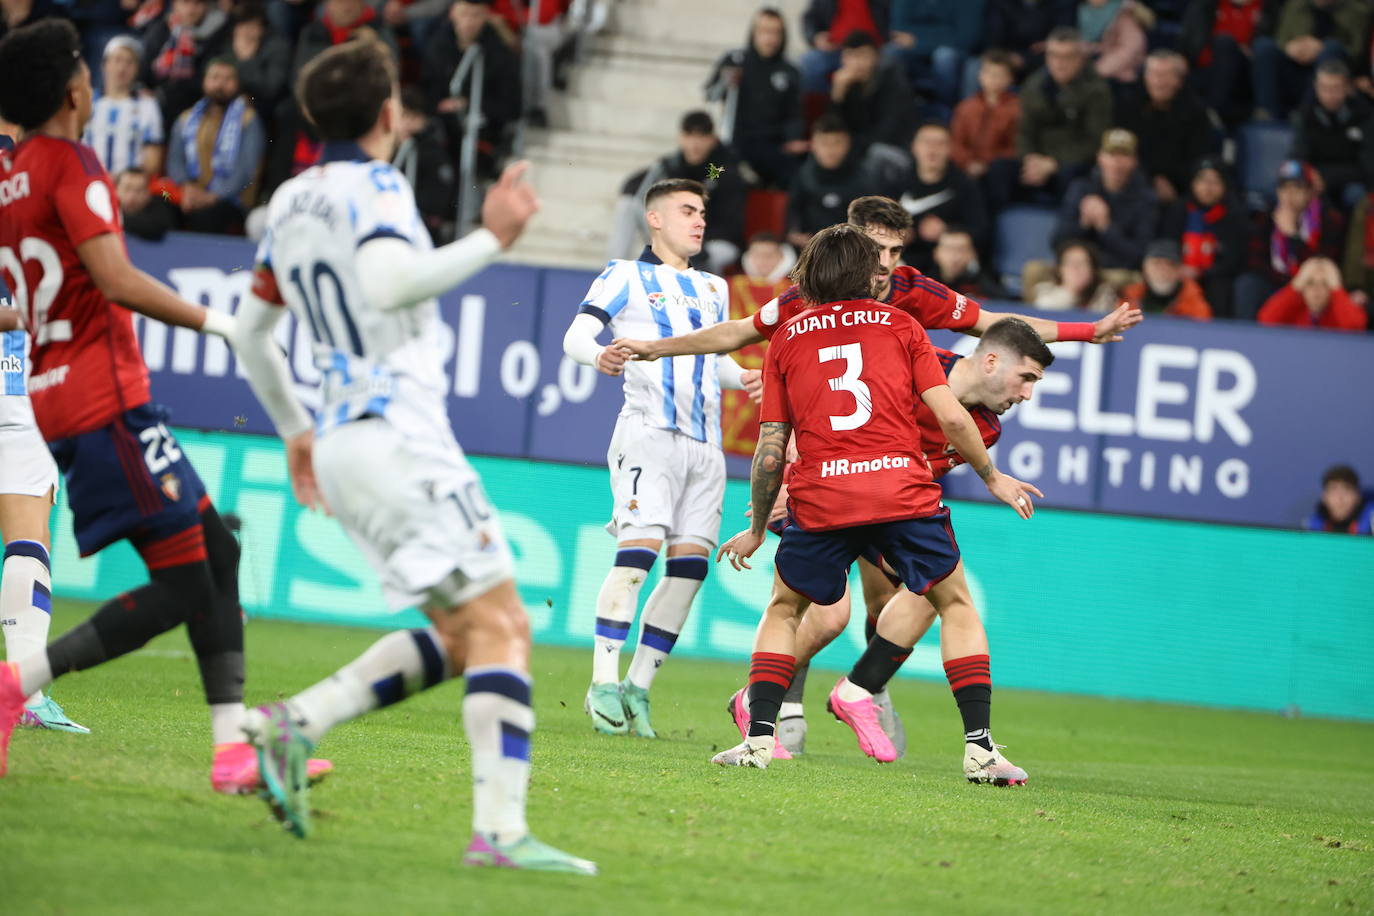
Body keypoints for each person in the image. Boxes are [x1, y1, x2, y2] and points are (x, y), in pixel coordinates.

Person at [229, 38, 593, 873]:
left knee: (464, 635)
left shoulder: (287, 201)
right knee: (503, 627)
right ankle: (500, 835)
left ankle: (295, 725)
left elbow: (252, 333)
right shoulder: (379, 187)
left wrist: (295, 434)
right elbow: (389, 283)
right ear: (390, 113)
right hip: (400, 437)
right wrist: (493, 238)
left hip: (344, 440)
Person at [614, 195, 1142, 752]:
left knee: (900, 601)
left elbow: (999, 327)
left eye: (894, 249)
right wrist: (657, 350)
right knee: (832, 613)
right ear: (853, 248)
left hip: (879, 482)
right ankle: (780, 699)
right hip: (825, 472)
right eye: (876, 249)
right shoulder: (856, 318)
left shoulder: (914, 300)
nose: (886, 262)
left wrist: (1088, 332)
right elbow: (740, 338)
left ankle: (857, 689)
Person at [0, 19, 332, 794]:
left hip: (65, 396)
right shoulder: (72, 162)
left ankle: (231, 750)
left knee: (218, 552)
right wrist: (226, 326)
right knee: (188, 581)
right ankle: (18, 684)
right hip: (101, 398)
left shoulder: (14, 180)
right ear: (75, 90)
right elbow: (114, 278)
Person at [708, 223, 1042, 771]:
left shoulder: (787, 338)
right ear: (867, 275)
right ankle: (980, 751)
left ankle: (759, 740)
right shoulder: (902, 325)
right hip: (898, 489)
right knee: (952, 603)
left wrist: (758, 522)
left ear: (808, 275)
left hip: (824, 493)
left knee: (785, 609)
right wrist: (992, 477)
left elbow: (771, 448)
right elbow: (953, 416)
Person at [561, 178, 758, 739]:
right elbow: (576, 334)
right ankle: (601, 680)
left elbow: (712, 355)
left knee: (690, 570)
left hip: (706, 447)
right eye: (687, 211)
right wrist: (599, 355)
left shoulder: (714, 288)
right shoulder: (624, 274)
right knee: (637, 559)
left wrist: (740, 375)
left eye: (702, 212)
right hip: (649, 433)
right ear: (655, 219)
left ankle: (637, 689)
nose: (699, 221)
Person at [0, 306, 87, 733]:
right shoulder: (32, 242)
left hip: (20, 397)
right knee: (28, 541)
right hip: (16, 393)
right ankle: (24, 696)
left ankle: (25, 694)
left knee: (29, 543)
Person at [607, 111, 747, 273]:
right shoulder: (670, 165)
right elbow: (634, 186)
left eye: (701, 137)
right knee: (628, 204)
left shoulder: (722, 168)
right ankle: (613, 274)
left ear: (712, 139)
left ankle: (702, 295)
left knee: (709, 255)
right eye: (689, 136)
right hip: (676, 235)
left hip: (713, 240)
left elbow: (727, 218)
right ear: (681, 138)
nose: (695, 144)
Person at [988, 26, 1113, 208]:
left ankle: (1066, 234)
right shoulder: (1033, 85)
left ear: (1079, 58)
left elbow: (1094, 142)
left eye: (1067, 57)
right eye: (1054, 55)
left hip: (1072, 163)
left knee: (1073, 176)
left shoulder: (1097, 91)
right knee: (1000, 169)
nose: (1059, 63)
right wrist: (1030, 159)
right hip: (1037, 162)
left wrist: (1055, 163)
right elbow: (1024, 132)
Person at [704, 7, 806, 190]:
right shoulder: (734, 61)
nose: (770, 38)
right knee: (712, 173)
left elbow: (794, 114)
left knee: (798, 177)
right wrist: (725, 82)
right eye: (765, 31)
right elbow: (711, 94)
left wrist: (792, 138)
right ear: (754, 33)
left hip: (771, 147)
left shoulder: (790, 72)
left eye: (776, 32)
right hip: (734, 144)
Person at [165, 57, 266, 234]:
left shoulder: (248, 119)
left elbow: (247, 170)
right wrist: (187, 187)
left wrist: (213, 196)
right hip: (190, 194)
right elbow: (175, 160)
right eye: (215, 77)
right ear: (204, 81)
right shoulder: (186, 119)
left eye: (228, 79)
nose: (221, 84)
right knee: (161, 208)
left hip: (232, 200)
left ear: (237, 84)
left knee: (207, 216)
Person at [420, 0, 520, 177]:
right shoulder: (437, 45)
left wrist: (468, 104)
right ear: (453, 14)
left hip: (484, 130)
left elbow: (510, 105)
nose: (469, 21)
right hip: (442, 127)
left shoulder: (499, 53)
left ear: (486, 16)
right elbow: (426, 90)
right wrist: (440, 104)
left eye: (476, 15)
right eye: (464, 14)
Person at [1239, 159, 1345, 317]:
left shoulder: (1330, 221)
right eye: (1284, 188)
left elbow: (1321, 264)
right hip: (1275, 281)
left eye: (1297, 187)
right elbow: (1255, 262)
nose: (1289, 194)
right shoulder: (1265, 218)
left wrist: (1292, 235)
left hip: (1309, 286)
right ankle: (1244, 338)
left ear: (1310, 192)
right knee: (1247, 284)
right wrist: (1284, 281)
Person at [1114, 49, 1217, 206]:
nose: (1159, 82)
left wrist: (1170, 182)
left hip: (1180, 189)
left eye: (1165, 75)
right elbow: (1120, 149)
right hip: (1134, 182)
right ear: (1145, 77)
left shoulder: (1196, 113)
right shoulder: (1129, 106)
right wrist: (1152, 178)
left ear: (1179, 80)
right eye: (1154, 74)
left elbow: (1198, 158)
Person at [723, 233, 792, 458]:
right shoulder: (728, 286)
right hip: (738, 373)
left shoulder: (795, 291)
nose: (763, 262)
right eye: (757, 255)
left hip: (779, 373)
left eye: (769, 256)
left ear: (782, 258)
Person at [1051, 127, 1156, 273]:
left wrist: (1106, 227)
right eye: (1111, 154)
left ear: (1134, 161)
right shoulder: (1080, 189)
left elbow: (1141, 257)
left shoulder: (1146, 199)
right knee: (1034, 271)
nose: (1117, 163)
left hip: (1118, 273)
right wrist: (1083, 223)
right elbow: (1057, 242)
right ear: (1100, 158)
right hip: (1078, 270)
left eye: (1124, 155)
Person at [1158, 156, 1249, 318]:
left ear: (1224, 186)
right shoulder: (1179, 209)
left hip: (1214, 277)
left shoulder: (1235, 215)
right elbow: (1167, 245)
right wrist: (1177, 268)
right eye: (1202, 180)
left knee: (1220, 287)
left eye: (1214, 182)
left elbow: (1234, 260)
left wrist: (1201, 272)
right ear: (1193, 183)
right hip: (1179, 271)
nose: (1207, 187)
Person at [894, 120, 989, 273]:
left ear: (950, 149)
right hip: (906, 259)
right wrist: (898, 235)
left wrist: (946, 231)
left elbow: (980, 231)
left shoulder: (964, 185)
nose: (932, 149)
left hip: (947, 263)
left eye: (940, 144)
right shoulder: (897, 183)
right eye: (926, 142)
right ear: (914, 147)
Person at [1251, 0, 1368, 121]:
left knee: (1332, 48)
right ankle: (1267, 112)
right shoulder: (1296, 5)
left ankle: (1307, 114)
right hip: (1293, 69)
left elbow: (1357, 52)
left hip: (1329, 75)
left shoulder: (1357, 10)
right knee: (1263, 46)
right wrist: (1290, 47)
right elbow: (1281, 39)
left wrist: (1321, 47)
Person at [1180, 0, 1280, 126]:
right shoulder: (1205, 5)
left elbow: (1274, 46)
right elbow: (1185, 42)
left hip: (1247, 75)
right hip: (1205, 71)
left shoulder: (1269, 7)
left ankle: (1215, 115)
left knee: (1225, 44)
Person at [785, 113, 877, 249]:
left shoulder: (865, 178)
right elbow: (793, 213)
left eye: (837, 143)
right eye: (824, 143)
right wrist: (794, 234)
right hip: (812, 249)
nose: (830, 150)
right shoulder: (802, 176)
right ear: (813, 144)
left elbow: (873, 219)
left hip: (853, 250)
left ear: (848, 144)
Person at [1292, 58, 1374, 210]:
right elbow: (1298, 155)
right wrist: (1309, 178)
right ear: (1316, 86)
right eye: (1324, 88)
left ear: (1348, 88)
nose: (1329, 95)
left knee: (1356, 194)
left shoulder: (1364, 115)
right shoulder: (1305, 115)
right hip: (1316, 183)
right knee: (1297, 192)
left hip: (1352, 182)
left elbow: (1368, 166)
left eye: (1336, 88)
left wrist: (1327, 177)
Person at [882, 0, 985, 114]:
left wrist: (918, 40)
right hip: (917, 56)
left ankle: (947, 111)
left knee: (944, 56)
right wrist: (941, 35)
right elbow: (898, 30)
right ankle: (896, 111)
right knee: (891, 51)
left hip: (958, 56)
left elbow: (966, 37)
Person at [141, 0, 233, 127]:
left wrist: (163, 94)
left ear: (206, 5)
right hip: (155, 107)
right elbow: (143, 70)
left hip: (196, 109)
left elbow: (205, 79)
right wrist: (143, 90)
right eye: (185, 3)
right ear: (174, 4)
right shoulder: (161, 30)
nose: (191, 9)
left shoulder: (218, 34)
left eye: (197, 3)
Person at [84, 35, 165, 176]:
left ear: (137, 69)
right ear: (105, 65)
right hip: (88, 184)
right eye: (117, 60)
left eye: (129, 62)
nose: (122, 68)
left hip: (129, 191)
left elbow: (153, 162)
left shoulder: (148, 106)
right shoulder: (86, 102)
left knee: (165, 196)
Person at [827, 30, 917, 155]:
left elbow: (885, 135)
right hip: (860, 149)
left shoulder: (894, 85)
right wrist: (837, 95)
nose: (856, 63)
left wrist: (849, 148)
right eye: (850, 55)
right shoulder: (845, 85)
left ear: (876, 57)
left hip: (895, 151)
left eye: (862, 55)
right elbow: (832, 130)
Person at [393, 86, 457, 245]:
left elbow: (437, 201)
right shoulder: (386, 149)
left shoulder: (433, 153)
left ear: (423, 119)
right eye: (402, 116)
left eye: (412, 117)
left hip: (422, 234)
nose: (406, 123)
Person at [949, 49, 1021, 181]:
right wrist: (968, 162)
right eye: (989, 73)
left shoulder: (1017, 108)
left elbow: (1015, 147)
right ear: (980, 75)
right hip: (967, 168)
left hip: (997, 171)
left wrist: (986, 163)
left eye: (999, 75)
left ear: (1010, 79)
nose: (993, 79)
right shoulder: (966, 107)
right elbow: (956, 143)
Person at [798, 0, 889, 93]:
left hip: (876, 47)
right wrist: (816, 37)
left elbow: (892, 16)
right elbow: (810, 18)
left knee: (892, 57)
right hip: (835, 48)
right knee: (810, 62)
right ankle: (822, 105)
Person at [1257, 255, 1368, 329]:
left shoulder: (1339, 311)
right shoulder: (1293, 310)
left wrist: (1337, 288)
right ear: (1302, 287)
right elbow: (1266, 319)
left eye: (1324, 284)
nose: (1316, 290)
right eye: (1310, 283)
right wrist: (1296, 284)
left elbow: (1356, 325)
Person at [1121, 239, 1214, 319]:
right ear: (1145, 267)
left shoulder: (1195, 304)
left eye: (1170, 264)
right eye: (1157, 264)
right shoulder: (1128, 298)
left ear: (1180, 270)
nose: (1163, 270)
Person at [1032, 238, 1120, 310]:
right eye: (1070, 263)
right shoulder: (1046, 292)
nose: (1076, 269)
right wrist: (1071, 291)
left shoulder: (1103, 294)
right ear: (1059, 270)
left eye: (1082, 263)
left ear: (1092, 270)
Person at [931, 226, 1006, 298]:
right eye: (948, 249)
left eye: (961, 250)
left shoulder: (983, 287)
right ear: (936, 253)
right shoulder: (926, 285)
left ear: (973, 254)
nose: (955, 257)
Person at [116, 166, 180, 241]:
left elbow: (157, 227)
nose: (132, 196)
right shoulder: (105, 206)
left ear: (148, 193)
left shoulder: (160, 206)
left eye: (139, 190)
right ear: (116, 190)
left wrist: (117, 219)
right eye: (127, 189)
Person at [1304, 465, 1374, 533]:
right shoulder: (1311, 527)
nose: (1340, 498)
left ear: (1358, 496)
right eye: (1333, 490)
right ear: (1324, 497)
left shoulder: (1371, 523)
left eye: (1347, 490)